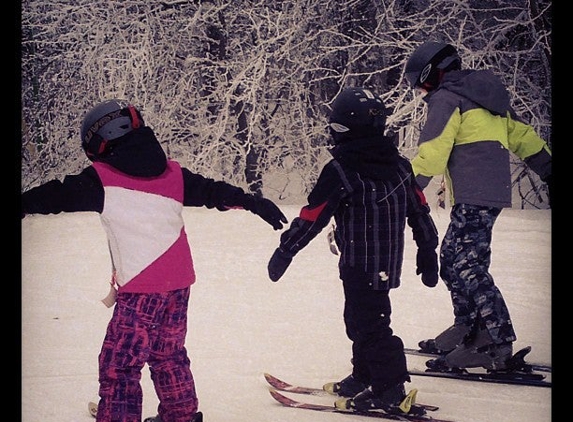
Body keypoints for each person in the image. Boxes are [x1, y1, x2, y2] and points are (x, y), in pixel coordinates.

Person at [21, 99, 288, 422]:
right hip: (178, 285)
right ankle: (181, 415)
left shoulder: (100, 180)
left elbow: (56, 195)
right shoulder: (173, 173)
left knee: (120, 364)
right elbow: (211, 191)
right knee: (168, 353)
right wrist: (250, 201)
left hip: (141, 289)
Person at [266, 87, 439, 415]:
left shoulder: (342, 169)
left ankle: (390, 388)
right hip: (386, 264)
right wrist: (427, 248)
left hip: (360, 264)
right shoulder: (399, 165)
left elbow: (312, 217)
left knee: (370, 325)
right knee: (362, 319)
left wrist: (286, 250)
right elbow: (420, 210)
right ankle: (365, 375)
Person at [404, 41, 552, 371]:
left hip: (474, 195)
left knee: (466, 265)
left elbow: (433, 151)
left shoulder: (448, 98)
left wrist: (407, 189)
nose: (421, 91)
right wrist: (547, 167)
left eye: (421, 83)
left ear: (434, 74)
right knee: (454, 260)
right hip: (486, 195)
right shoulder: (485, 96)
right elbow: (521, 134)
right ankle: (468, 328)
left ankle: (493, 341)